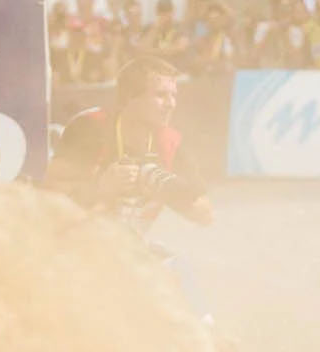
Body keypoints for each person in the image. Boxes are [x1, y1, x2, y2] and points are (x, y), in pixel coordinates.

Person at [46, 57, 214, 233]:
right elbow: (49, 196)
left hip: (126, 243)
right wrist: (101, 187)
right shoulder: (91, 127)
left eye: (173, 95)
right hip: (76, 242)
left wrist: (162, 185)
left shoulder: (169, 142)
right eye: (160, 95)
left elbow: (206, 215)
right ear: (129, 97)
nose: (171, 104)